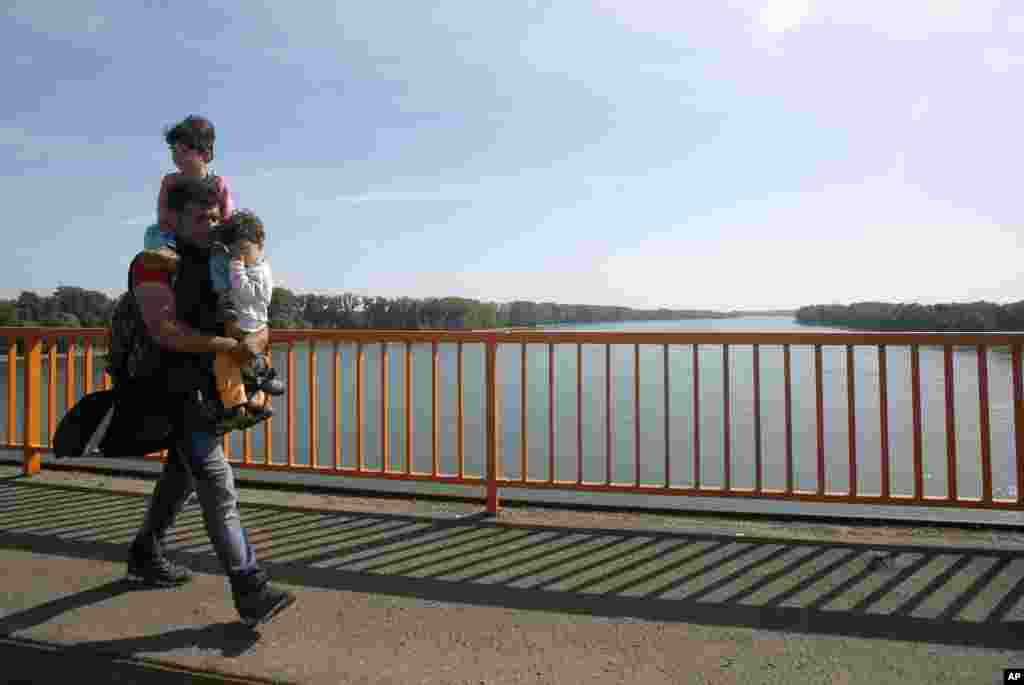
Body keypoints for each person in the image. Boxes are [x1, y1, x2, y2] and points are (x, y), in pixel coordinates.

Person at [126, 176, 295, 628]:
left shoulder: (218, 261)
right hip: (171, 388)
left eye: (216, 218)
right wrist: (230, 347)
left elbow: (253, 320)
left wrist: (257, 339)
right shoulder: (153, 264)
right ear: (175, 220)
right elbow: (164, 331)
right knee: (217, 484)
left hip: (207, 391)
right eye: (200, 219)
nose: (211, 226)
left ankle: (145, 551)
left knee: (181, 474)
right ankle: (250, 588)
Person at [211, 209, 276, 424]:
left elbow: (245, 293)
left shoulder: (259, 270)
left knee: (240, 361)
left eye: (244, 250)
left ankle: (259, 388)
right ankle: (242, 404)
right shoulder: (247, 265)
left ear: (260, 243)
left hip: (250, 326)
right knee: (227, 364)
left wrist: (236, 267)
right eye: (234, 252)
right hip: (243, 324)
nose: (239, 257)